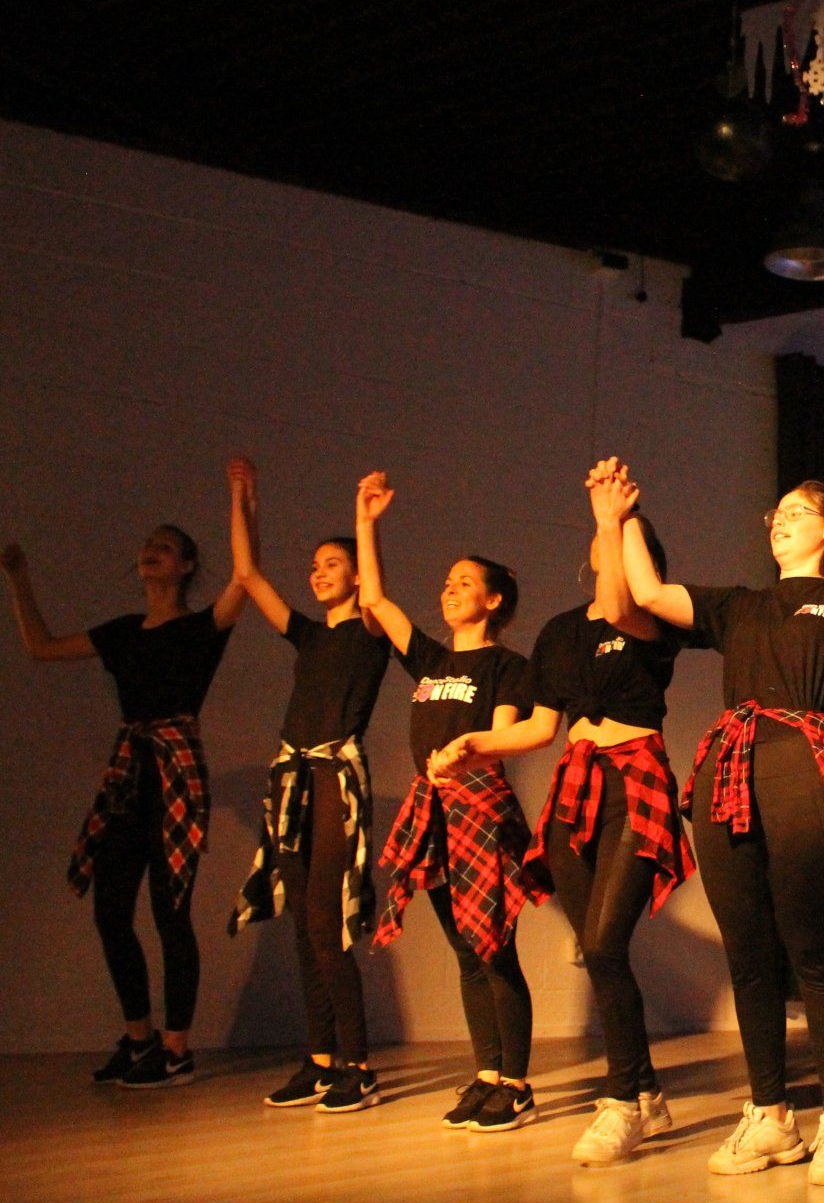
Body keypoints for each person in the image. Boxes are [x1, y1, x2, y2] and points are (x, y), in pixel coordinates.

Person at [609, 448, 824, 1186]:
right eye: (776, 514)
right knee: (747, 952)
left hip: (801, 765)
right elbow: (647, 592)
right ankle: (771, 1114)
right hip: (728, 769)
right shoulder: (740, 604)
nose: (780, 522)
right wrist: (620, 518)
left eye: (798, 512)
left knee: (810, 949)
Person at [429, 462, 693, 1164]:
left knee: (604, 945)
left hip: (635, 785)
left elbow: (620, 607)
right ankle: (646, 1092)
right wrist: (473, 744)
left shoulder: (652, 620)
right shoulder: (558, 632)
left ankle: (621, 1103)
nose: (610, 542)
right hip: (576, 792)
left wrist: (613, 518)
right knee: (601, 954)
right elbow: (540, 727)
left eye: (627, 537)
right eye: (605, 536)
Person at [0, 508, 246, 1088]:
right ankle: (139, 1040)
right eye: (147, 544)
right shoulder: (124, 631)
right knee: (110, 911)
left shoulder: (201, 628)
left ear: (187, 565)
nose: (150, 551)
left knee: (170, 913)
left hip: (175, 773)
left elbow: (243, 578)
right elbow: (41, 647)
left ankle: (176, 1049)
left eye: (165, 546)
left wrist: (242, 496)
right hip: (131, 774)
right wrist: (18, 579)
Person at [355, 471, 540, 1133]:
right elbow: (375, 600)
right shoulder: (431, 661)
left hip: (479, 809)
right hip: (432, 808)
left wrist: (468, 752)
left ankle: (515, 1083)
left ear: (493, 600)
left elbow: (509, 735)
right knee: (464, 949)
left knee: (494, 946)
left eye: (464, 582)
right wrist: (366, 522)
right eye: (447, 582)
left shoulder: (507, 667)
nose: (449, 589)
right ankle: (487, 1073)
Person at [224, 458, 392, 1113]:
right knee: (303, 926)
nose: (319, 573)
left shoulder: (371, 631)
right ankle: (320, 1059)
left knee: (326, 924)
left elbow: (375, 595)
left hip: (332, 779)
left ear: (355, 574)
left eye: (332, 564)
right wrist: (243, 498)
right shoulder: (309, 636)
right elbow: (247, 576)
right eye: (315, 565)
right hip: (292, 777)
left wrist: (365, 523)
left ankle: (358, 1065)